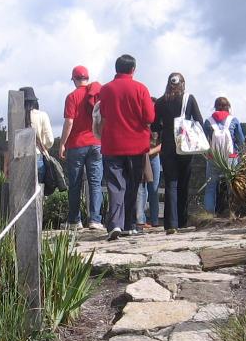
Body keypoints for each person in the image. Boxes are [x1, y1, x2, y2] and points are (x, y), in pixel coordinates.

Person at [98, 54, 155, 240]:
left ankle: (115, 224)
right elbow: (149, 118)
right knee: (133, 184)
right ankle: (130, 224)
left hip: (112, 143)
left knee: (115, 185)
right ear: (133, 69)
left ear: (116, 69)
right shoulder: (141, 89)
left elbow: (104, 114)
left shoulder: (105, 90)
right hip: (137, 145)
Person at [153, 72, 202, 234]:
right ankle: (182, 221)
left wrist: (164, 128)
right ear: (183, 83)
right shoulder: (189, 99)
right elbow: (199, 121)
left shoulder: (160, 102)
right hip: (185, 145)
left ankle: (171, 223)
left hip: (168, 145)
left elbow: (154, 126)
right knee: (183, 183)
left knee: (170, 184)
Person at [58, 65, 104, 231]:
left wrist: (62, 143)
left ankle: (74, 220)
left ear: (74, 79)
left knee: (75, 183)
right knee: (95, 183)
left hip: (77, 145)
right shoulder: (97, 94)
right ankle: (95, 220)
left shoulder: (72, 97)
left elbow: (69, 121)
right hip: (96, 143)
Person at [202, 97, 246, 213]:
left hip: (214, 158)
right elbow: (241, 141)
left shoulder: (208, 121)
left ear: (215, 107)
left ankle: (209, 214)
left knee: (210, 187)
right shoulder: (234, 120)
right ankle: (233, 212)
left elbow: (202, 141)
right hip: (231, 158)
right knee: (232, 186)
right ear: (228, 107)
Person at [18, 86, 54, 183]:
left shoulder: (15, 118)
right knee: (38, 192)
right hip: (37, 156)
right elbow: (50, 140)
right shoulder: (42, 115)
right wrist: (45, 147)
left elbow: (8, 143)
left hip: (19, 160)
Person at [136, 125, 162, 228]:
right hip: (141, 154)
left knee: (154, 189)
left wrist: (151, 151)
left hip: (154, 156)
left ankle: (155, 220)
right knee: (141, 188)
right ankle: (141, 220)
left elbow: (163, 143)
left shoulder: (159, 125)